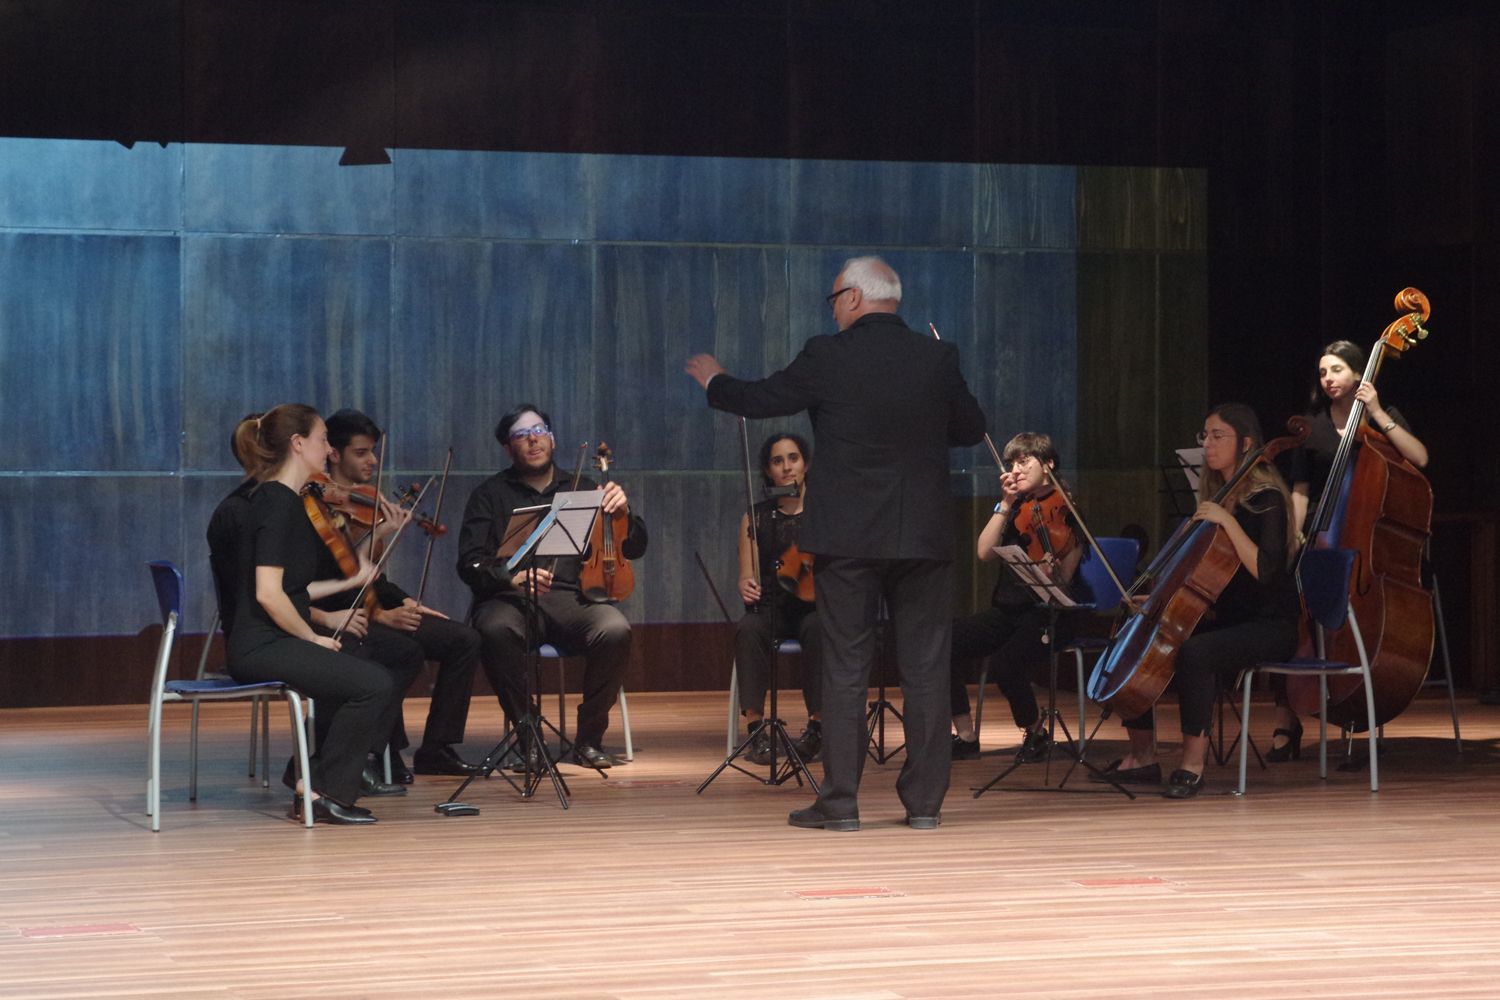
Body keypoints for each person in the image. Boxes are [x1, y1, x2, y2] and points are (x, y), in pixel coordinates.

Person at [686, 255, 987, 831]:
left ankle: (842, 803)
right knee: (925, 669)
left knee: (846, 666)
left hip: (847, 537)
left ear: (851, 298)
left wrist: (714, 381)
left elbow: (762, 399)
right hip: (920, 535)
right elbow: (971, 430)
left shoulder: (828, 354)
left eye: (833, 300)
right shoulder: (937, 356)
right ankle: (924, 805)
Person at [1099, 403, 1300, 798]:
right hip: (1230, 617)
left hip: (1271, 625)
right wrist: (1159, 597)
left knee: (1196, 653)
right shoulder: (1217, 495)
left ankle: (1192, 764)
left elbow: (1267, 571)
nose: (1207, 443)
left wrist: (1226, 521)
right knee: (1140, 632)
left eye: (1216, 436)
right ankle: (1142, 756)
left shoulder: (1267, 499)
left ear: (1245, 443)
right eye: (1204, 435)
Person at [209, 412, 410, 803]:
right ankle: (328, 792)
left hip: (270, 639)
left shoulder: (280, 499)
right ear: (297, 444)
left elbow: (293, 588)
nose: (329, 449)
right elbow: (268, 594)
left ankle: (310, 779)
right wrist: (312, 638)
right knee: (372, 684)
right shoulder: (275, 503)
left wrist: (350, 580)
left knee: (362, 665)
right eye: (322, 440)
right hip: (259, 645)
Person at [457, 404, 648, 769]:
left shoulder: (585, 488)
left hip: (569, 599)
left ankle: (589, 740)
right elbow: (469, 562)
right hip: (510, 600)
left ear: (552, 438)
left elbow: (635, 548)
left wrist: (626, 512)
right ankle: (529, 739)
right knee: (494, 629)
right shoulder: (489, 495)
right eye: (520, 435)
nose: (532, 439)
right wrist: (511, 577)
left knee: (614, 628)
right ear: (507, 448)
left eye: (539, 430)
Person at [1274, 340, 1430, 760]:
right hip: (1323, 538)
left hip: (1368, 550)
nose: (1328, 379)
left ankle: (1362, 697)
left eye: (1337, 370)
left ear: (1360, 375)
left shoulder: (1382, 420)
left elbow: (1419, 458)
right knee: (1287, 607)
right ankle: (1286, 719)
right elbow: (1301, 491)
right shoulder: (1313, 426)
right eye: (1323, 372)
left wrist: (1377, 411)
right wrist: (1294, 536)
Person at [321, 409, 485, 780]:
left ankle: (437, 748)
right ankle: (378, 750)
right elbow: (338, 579)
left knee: (464, 639)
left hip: (374, 603)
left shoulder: (366, 498)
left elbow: (373, 578)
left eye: (372, 451)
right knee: (398, 649)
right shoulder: (318, 503)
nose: (372, 460)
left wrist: (406, 601)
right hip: (342, 616)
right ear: (334, 453)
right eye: (361, 452)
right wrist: (383, 614)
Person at [949, 432, 1083, 763]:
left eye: (1025, 462)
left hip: (1048, 614)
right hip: (1008, 611)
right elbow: (983, 552)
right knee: (942, 639)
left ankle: (1035, 731)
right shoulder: (1015, 507)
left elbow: (1065, 582)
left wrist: (1051, 574)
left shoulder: (1068, 513)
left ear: (1049, 464)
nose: (1016, 469)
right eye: (1012, 463)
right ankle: (965, 735)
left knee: (1005, 663)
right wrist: (1005, 504)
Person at [735, 432, 823, 765]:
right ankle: (757, 730)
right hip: (772, 605)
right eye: (777, 461)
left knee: (819, 629)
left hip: (812, 606)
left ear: (805, 464)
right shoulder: (756, 517)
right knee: (748, 628)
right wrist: (745, 582)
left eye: (793, 458)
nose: (786, 467)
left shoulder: (823, 510)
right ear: (768, 471)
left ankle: (818, 728)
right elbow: (748, 574)